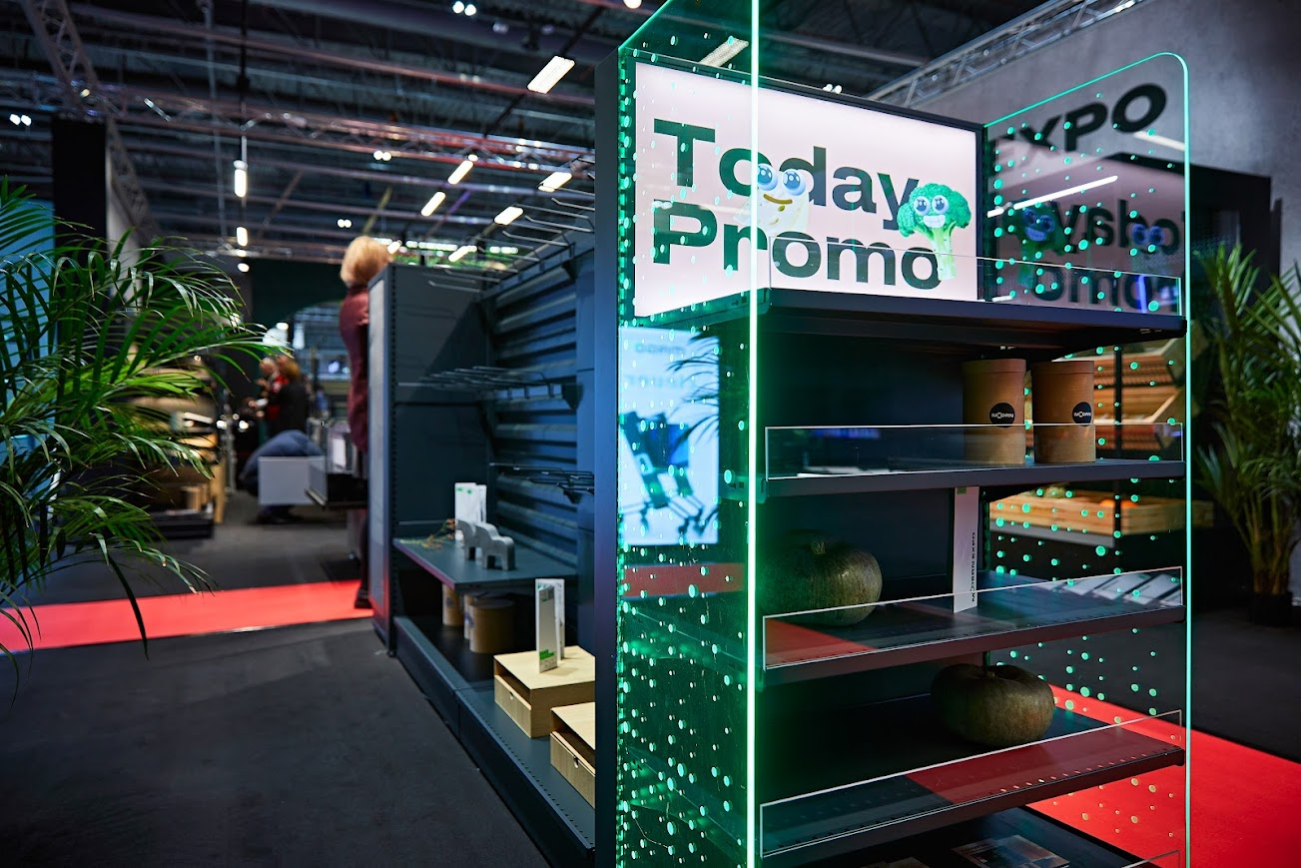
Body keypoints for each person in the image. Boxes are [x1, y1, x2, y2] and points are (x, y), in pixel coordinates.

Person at [338, 236, 392, 608]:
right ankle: (368, 586)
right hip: (373, 406)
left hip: (363, 404)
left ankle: (367, 584)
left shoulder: (351, 303)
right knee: (381, 501)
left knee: (375, 498)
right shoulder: (370, 303)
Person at [240, 354, 320, 524]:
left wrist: (267, 390)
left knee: (287, 473)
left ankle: (275, 510)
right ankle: (273, 511)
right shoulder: (302, 389)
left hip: (282, 430)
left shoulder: (284, 389)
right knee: (295, 475)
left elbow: (273, 402)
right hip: (295, 430)